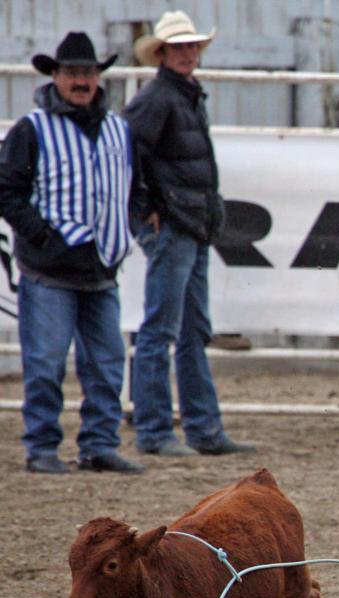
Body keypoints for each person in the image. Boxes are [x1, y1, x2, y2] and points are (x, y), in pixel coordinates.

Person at [0, 32, 148, 474]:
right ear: (56, 77)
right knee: (46, 364)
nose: (81, 81)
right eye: (72, 73)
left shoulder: (119, 129)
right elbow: (7, 190)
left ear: (98, 77)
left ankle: (99, 445)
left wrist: (126, 227)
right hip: (49, 271)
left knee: (107, 365)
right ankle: (42, 447)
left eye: (88, 73)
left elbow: (137, 188)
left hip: (102, 268)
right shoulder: (32, 129)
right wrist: (41, 235)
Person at [124, 11, 254, 457]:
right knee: (165, 329)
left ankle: (197, 429)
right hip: (177, 223)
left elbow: (131, 153)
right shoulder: (162, 98)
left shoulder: (178, 95)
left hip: (189, 223)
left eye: (190, 46)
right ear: (163, 53)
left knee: (189, 329)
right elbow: (127, 152)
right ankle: (160, 430)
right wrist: (146, 209)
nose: (186, 53)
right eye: (179, 47)